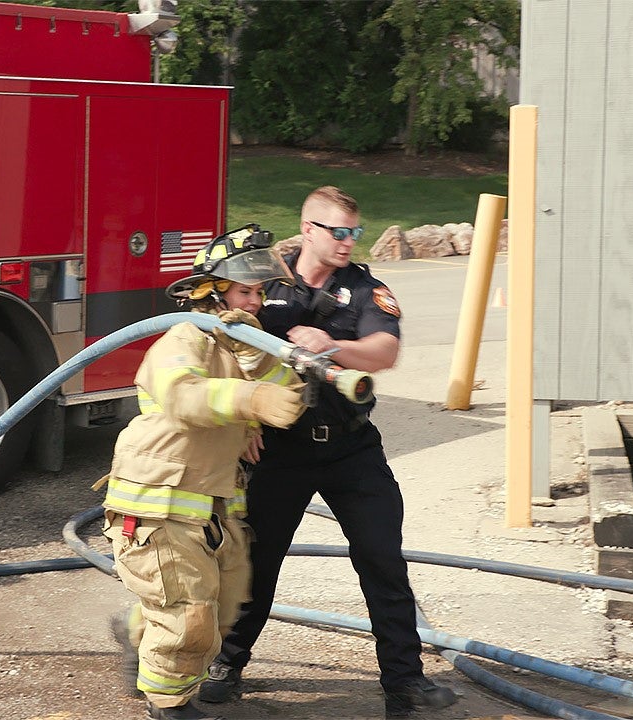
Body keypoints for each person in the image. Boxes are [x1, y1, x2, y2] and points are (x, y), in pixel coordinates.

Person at [199, 187, 458, 718]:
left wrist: (332, 345)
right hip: (280, 451)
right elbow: (223, 347)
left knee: (383, 562)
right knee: (254, 563)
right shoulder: (262, 280)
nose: (347, 242)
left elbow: (385, 351)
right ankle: (227, 662)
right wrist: (242, 420)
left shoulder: (364, 289)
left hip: (350, 450)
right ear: (309, 228)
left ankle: (404, 685)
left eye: (354, 233)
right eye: (337, 231)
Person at [100, 225, 307, 720]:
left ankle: (139, 633)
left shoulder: (246, 349)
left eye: (260, 291)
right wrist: (248, 400)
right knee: (192, 619)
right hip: (161, 500)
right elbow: (181, 395)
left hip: (213, 503)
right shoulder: (185, 337)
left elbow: (291, 394)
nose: (255, 301)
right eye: (244, 291)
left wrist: (258, 365)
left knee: (225, 604)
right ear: (213, 292)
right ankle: (169, 706)